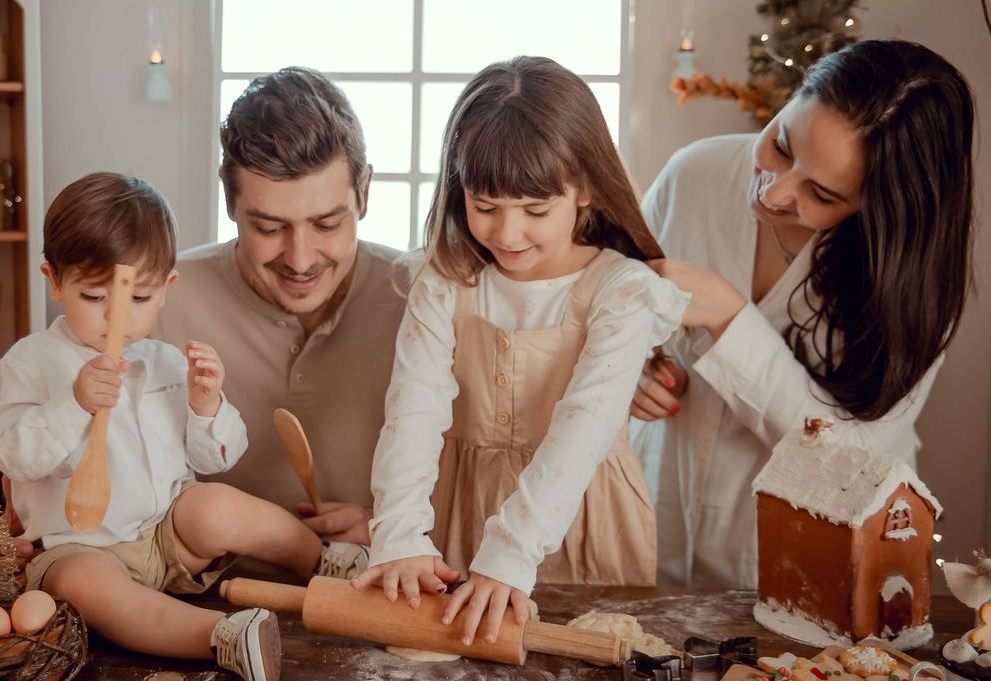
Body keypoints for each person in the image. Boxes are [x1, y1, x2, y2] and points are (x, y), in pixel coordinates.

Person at [353, 56, 690, 646]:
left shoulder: (623, 291)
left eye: (536, 210)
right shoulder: (444, 280)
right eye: (484, 207)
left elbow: (586, 422)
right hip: (458, 510)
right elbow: (414, 409)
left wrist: (510, 551)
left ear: (584, 186)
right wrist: (401, 531)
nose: (508, 235)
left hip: (590, 518)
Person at [0, 172, 371, 680]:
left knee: (216, 505)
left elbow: (216, 459)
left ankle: (322, 563)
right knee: (83, 586)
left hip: (169, 536)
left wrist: (207, 406)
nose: (114, 321)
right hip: (79, 547)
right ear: (55, 281)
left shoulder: (167, 363)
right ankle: (220, 637)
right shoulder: (29, 364)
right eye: (94, 298)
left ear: (165, 290)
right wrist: (73, 404)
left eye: (137, 300)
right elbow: (8, 453)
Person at [631, 39, 975, 589]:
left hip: (806, 566)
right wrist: (633, 369)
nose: (775, 190)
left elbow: (856, 459)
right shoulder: (694, 173)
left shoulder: (915, 282)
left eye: (820, 193)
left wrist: (728, 319)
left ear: (881, 204)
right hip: (653, 523)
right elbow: (610, 308)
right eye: (782, 145)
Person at [151, 67, 406, 545]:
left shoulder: (421, 299)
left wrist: (403, 529)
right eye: (270, 228)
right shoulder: (159, 300)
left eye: (327, 224)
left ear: (365, 193)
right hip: (205, 598)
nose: (301, 259)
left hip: (384, 591)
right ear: (229, 201)